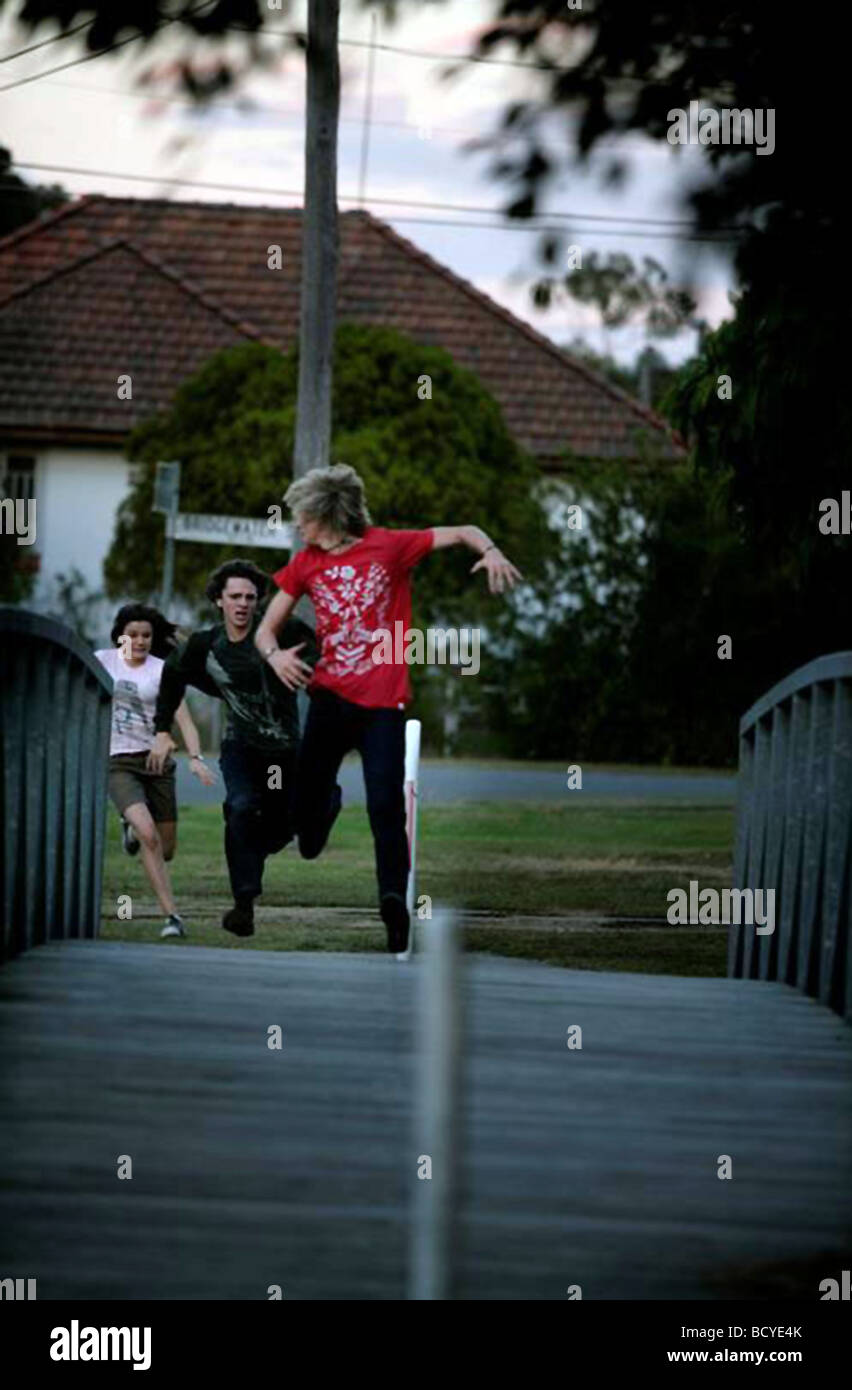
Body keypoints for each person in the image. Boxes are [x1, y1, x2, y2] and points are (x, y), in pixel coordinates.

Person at [254, 463, 521, 954]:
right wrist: (275, 658)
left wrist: (491, 551)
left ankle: (393, 902)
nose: (296, 525)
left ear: (325, 514)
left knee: (385, 806)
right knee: (304, 824)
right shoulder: (305, 564)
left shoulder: (391, 546)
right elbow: (264, 630)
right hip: (329, 698)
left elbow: (462, 531)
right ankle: (323, 811)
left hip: (382, 704)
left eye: (301, 516)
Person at [148, 559, 318, 939]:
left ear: (259, 602)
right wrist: (161, 729)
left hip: (280, 757)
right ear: (219, 601)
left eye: (250, 597)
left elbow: (320, 658)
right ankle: (243, 905)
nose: (243, 603)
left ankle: (310, 813)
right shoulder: (206, 646)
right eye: (235, 596)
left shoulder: (283, 631)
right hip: (241, 748)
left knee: (273, 828)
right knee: (241, 808)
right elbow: (172, 675)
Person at [96, 604, 215, 940]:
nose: (140, 641)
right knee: (149, 835)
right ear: (121, 635)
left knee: (166, 849)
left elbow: (185, 721)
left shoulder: (164, 670)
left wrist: (196, 757)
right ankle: (172, 916)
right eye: (133, 634)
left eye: (147, 635)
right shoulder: (102, 661)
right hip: (118, 761)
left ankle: (130, 831)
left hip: (158, 764)